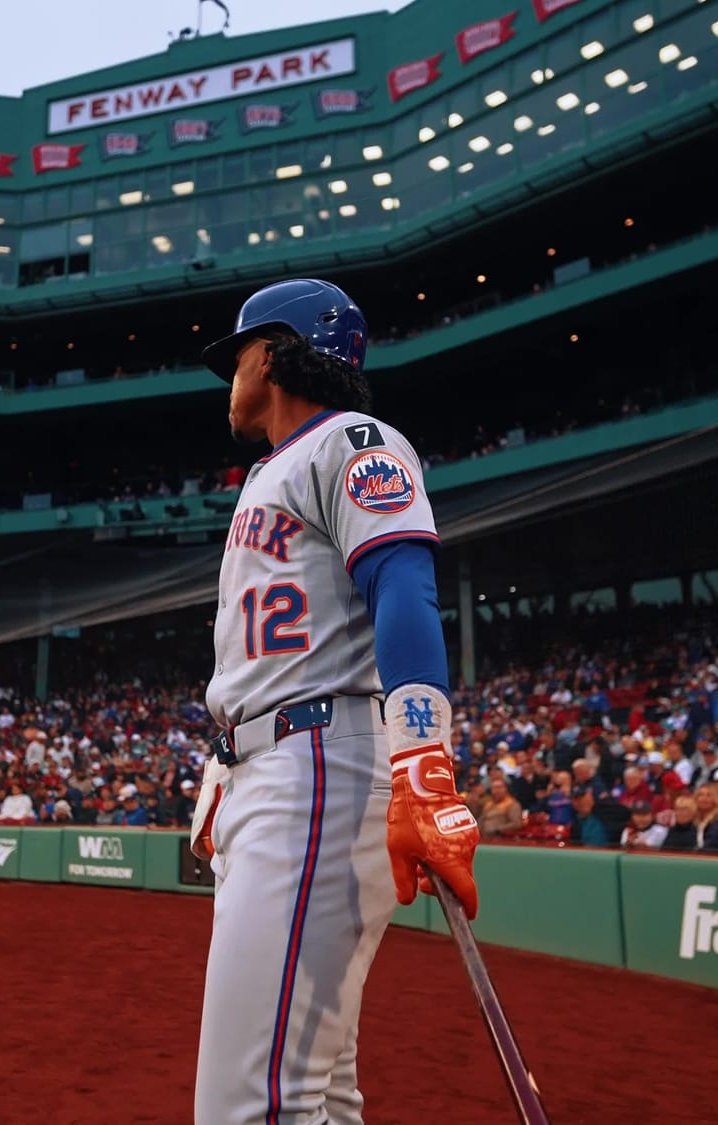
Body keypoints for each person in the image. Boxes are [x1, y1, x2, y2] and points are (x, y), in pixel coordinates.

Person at [188, 279, 478, 1124]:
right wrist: (226, 766)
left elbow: (403, 587)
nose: (231, 375)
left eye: (238, 354)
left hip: (318, 768)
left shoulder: (354, 440)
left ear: (274, 354)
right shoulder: (270, 472)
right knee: (317, 1090)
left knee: (251, 1104)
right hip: (278, 766)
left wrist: (425, 764)